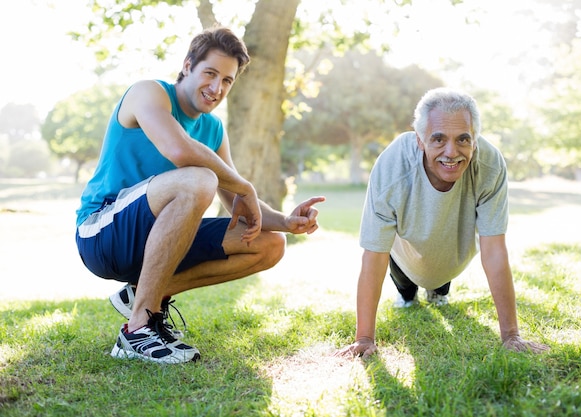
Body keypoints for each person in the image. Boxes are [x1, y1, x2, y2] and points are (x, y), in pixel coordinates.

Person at [75, 27, 325, 364]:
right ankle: (137, 330)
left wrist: (286, 222)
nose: (216, 87)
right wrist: (244, 185)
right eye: (210, 73)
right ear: (187, 65)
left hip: (160, 238)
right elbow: (178, 150)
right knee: (198, 179)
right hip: (103, 233)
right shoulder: (148, 93)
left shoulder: (213, 130)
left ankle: (146, 294)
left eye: (227, 80)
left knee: (268, 244)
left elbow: (234, 197)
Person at [335, 88, 549, 359]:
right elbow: (375, 254)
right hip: (405, 252)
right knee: (407, 290)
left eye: (463, 139)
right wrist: (364, 338)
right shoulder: (392, 167)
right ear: (420, 141)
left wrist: (511, 335)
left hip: (452, 251)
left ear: (475, 140)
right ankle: (407, 294)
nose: (452, 152)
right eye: (438, 139)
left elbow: (494, 249)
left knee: (439, 281)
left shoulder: (490, 165)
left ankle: (438, 290)